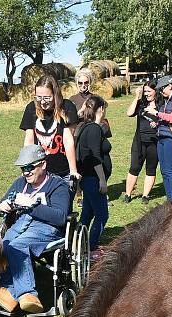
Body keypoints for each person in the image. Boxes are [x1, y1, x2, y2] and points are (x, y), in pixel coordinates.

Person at [0, 145, 71, 314]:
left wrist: (31, 206)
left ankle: (27, 294)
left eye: (30, 167)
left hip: (47, 228)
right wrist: (1, 207)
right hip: (20, 225)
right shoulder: (20, 183)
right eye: (23, 168)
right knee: (5, 244)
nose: (26, 172)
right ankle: (10, 294)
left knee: (17, 245)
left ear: (43, 165)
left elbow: (61, 217)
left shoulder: (57, 185)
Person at [19, 75, 81, 185]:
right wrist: (26, 166)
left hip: (63, 172)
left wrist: (73, 171)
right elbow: (29, 141)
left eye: (47, 98)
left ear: (55, 95)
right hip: (39, 173)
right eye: (39, 97)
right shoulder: (31, 109)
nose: (42, 102)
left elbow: (68, 141)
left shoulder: (67, 107)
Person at [75, 95, 112, 259]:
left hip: (87, 178)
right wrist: (102, 180)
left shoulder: (84, 127)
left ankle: (79, 245)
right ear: (101, 109)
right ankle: (92, 247)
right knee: (102, 214)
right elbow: (95, 156)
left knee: (87, 214)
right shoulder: (95, 129)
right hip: (93, 179)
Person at [143, 75, 172, 201]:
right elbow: (165, 117)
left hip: (170, 138)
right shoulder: (166, 99)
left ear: (170, 86)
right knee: (163, 171)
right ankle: (170, 200)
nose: (160, 92)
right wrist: (156, 123)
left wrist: (156, 113)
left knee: (169, 171)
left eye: (162, 89)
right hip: (161, 137)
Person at [123, 79, 160, 205]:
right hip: (139, 140)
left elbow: (166, 120)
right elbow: (129, 113)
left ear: (156, 91)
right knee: (134, 167)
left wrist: (158, 124)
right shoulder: (141, 103)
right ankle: (128, 194)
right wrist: (137, 97)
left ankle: (145, 195)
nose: (146, 94)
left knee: (151, 168)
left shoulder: (161, 105)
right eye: (145, 91)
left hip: (154, 141)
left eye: (149, 91)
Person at [69, 68, 112, 138]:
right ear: (77, 83)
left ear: (90, 82)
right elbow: (70, 120)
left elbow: (102, 113)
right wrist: (81, 110)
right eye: (80, 83)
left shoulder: (95, 98)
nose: (83, 85)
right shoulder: (72, 99)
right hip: (78, 133)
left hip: (94, 131)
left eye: (86, 82)